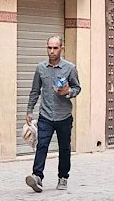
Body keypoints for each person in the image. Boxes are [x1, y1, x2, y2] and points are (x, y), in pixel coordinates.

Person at [25, 35, 81, 192]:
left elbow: (77, 88)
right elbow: (35, 90)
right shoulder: (40, 68)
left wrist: (68, 91)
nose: (52, 51)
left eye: (55, 48)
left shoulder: (70, 68)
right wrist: (30, 110)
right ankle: (37, 177)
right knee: (42, 145)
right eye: (49, 48)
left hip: (64, 116)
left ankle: (63, 177)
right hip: (46, 115)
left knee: (64, 148)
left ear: (61, 49)